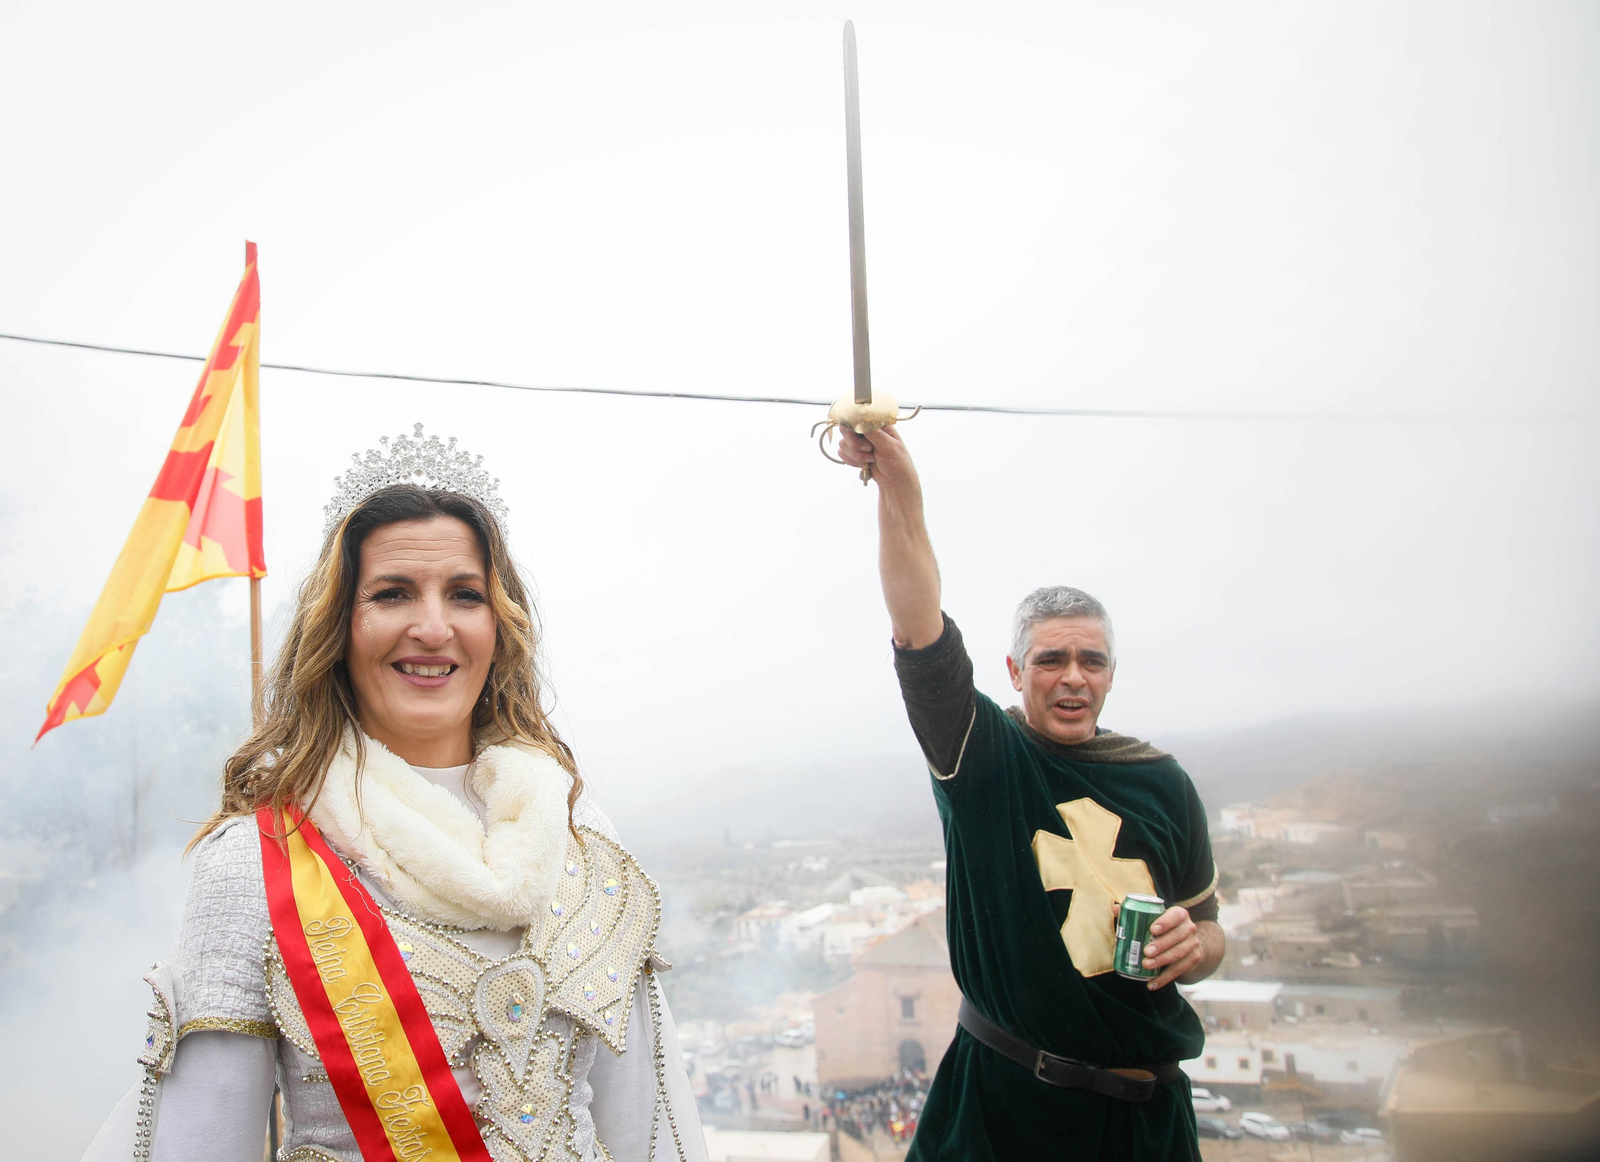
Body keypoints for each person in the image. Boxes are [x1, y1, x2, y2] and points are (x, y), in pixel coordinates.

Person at [83, 425, 707, 1162]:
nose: (434, 627)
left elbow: (653, 1131)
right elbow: (197, 1143)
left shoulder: (577, 833)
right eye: (393, 593)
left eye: (465, 595)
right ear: (339, 625)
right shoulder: (258, 862)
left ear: (499, 626)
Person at [835, 425, 1224, 1161]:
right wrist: (899, 488)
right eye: (1051, 660)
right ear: (1016, 672)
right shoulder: (986, 761)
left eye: (1092, 660)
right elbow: (919, 629)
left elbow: (1210, 930)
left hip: (1151, 1124)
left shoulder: (1163, 781)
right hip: (1008, 1114)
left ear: (1111, 673)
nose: (1073, 676)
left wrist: (1193, 944)